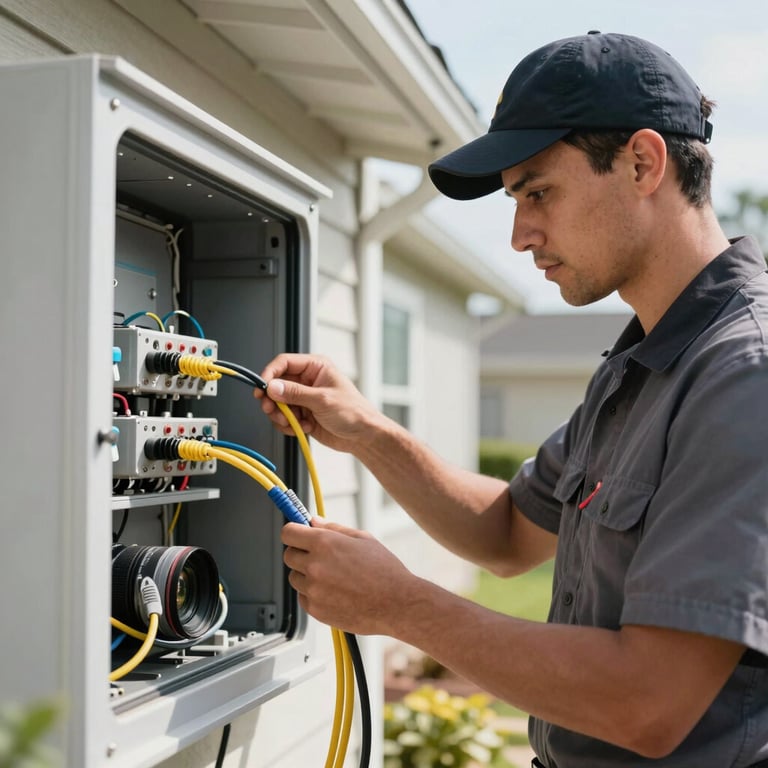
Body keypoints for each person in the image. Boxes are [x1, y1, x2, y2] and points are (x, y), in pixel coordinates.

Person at [255, 31, 768, 768]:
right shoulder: (637, 365)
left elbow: (649, 702)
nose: (521, 235)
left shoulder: (743, 373)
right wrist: (366, 431)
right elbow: (504, 534)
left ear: (643, 163)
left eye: (537, 192)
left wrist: (401, 605)